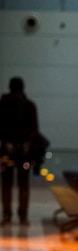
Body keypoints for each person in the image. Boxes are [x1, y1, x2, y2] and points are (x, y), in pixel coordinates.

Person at [0, 77, 39, 226]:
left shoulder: (2, 104)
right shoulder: (29, 105)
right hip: (25, 153)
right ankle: (23, 216)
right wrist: (27, 144)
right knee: (24, 183)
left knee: (6, 184)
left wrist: (6, 143)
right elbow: (35, 129)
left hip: (6, 152)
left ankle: (7, 215)